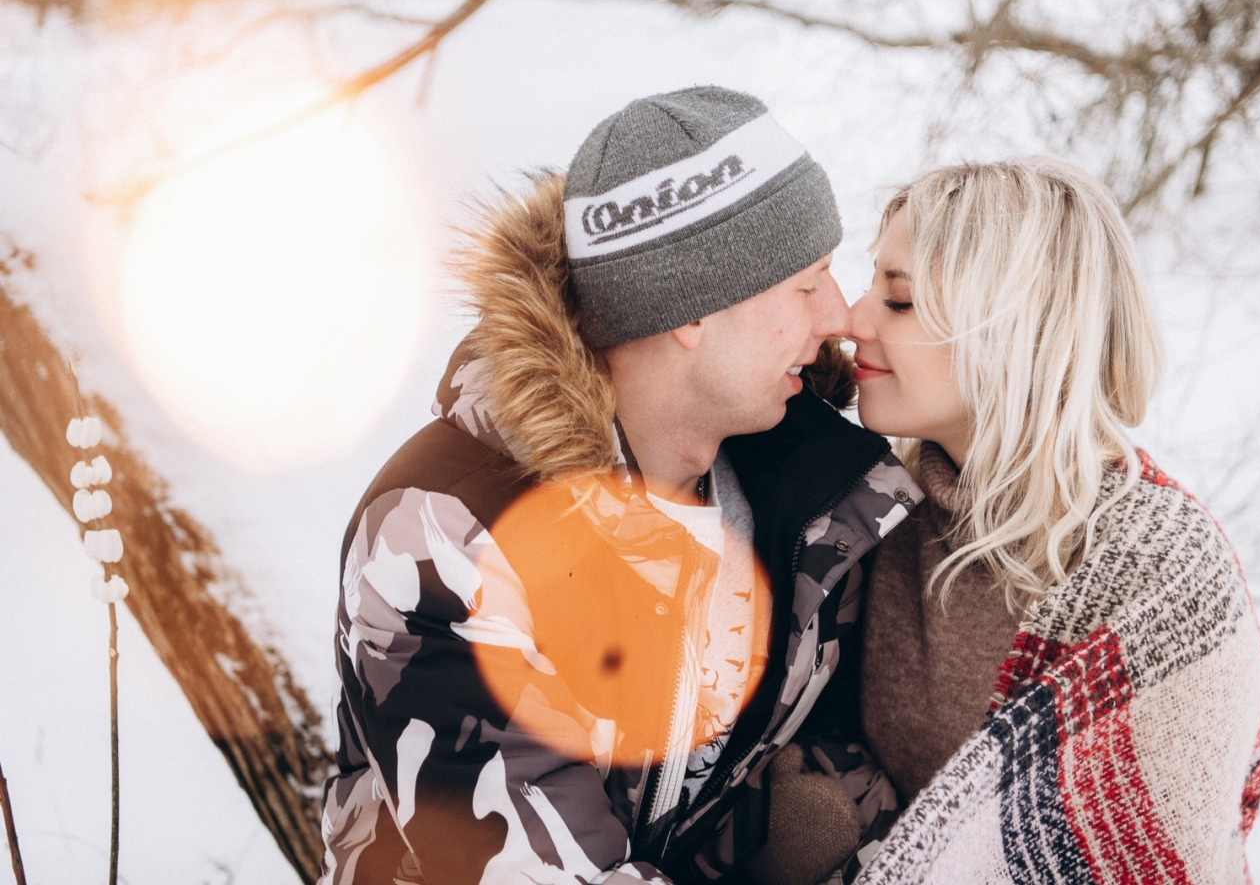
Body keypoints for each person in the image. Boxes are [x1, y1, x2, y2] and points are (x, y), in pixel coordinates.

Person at [318, 86, 915, 885]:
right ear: (694, 310)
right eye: (807, 285)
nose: (838, 317)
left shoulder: (811, 501)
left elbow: (834, 784)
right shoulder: (446, 534)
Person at [845, 157, 1260, 884]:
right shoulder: (880, 520)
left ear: (1013, 333)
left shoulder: (1161, 575)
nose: (853, 319)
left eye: (901, 301)